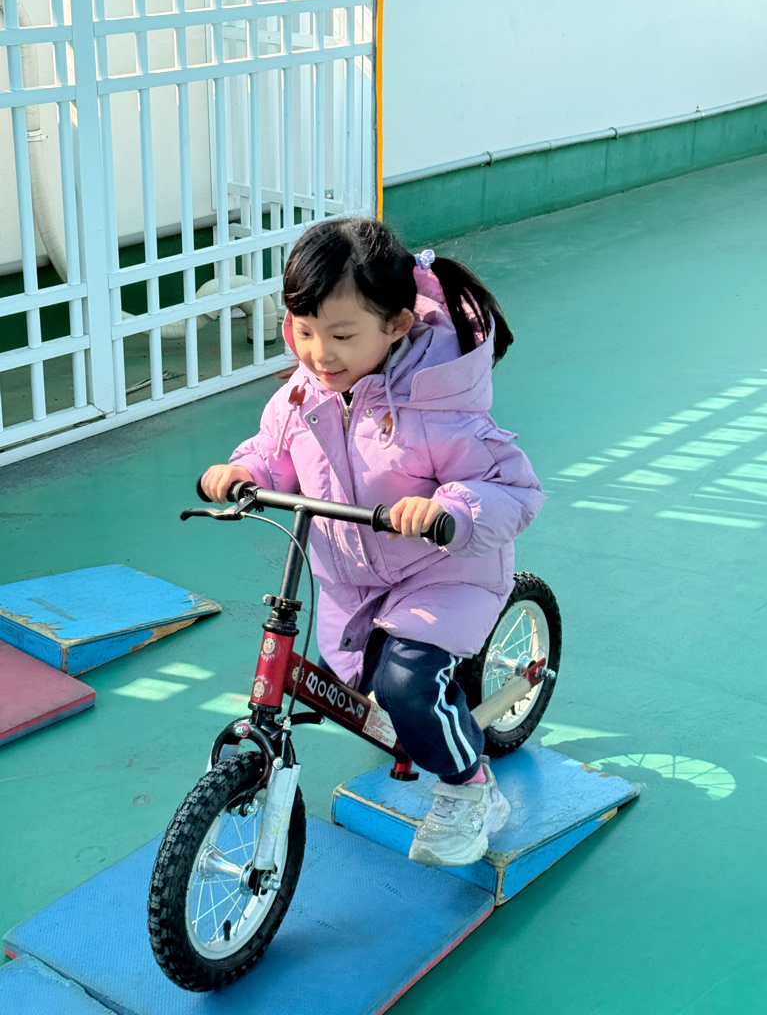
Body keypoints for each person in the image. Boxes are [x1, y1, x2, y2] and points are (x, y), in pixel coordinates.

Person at [201, 217, 545, 867]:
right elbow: (274, 453)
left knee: (407, 686)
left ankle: (470, 787)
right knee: (344, 680)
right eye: (305, 331)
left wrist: (448, 508)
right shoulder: (302, 397)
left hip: (442, 573)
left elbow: (513, 490)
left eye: (341, 336)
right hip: (352, 580)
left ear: (395, 325)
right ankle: (422, 720)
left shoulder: (440, 408)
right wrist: (245, 473)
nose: (319, 354)